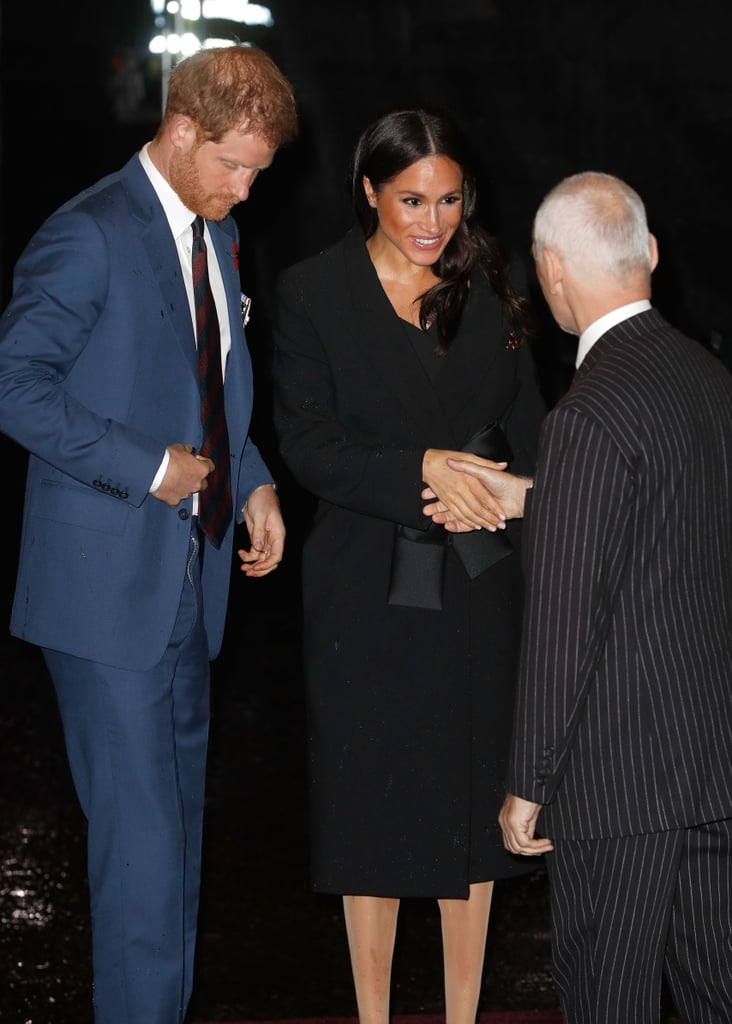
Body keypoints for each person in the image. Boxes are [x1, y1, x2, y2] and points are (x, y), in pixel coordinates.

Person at [0, 44, 297, 1023]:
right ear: (180, 133)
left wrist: (249, 478)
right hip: (105, 596)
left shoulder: (213, 231)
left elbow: (210, 381)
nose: (247, 188)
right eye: (235, 165)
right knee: (141, 861)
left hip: (191, 587)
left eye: (259, 170)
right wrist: (149, 465)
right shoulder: (87, 234)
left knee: (174, 853)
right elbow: (15, 387)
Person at [435, 172, 732, 1023]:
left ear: (552, 272)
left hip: (619, 785)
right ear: (650, 254)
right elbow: (671, 524)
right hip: (712, 765)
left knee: (609, 1001)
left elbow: (568, 624)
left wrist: (529, 782)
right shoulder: (708, 380)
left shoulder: (586, 416)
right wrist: (542, 493)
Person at [271, 108, 546, 1024]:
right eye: (410, 200)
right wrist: (424, 472)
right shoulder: (314, 292)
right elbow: (307, 445)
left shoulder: (491, 278)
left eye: (450, 200)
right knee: (371, 809)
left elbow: (532, 420)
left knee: (473, 807)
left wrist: (506, 490)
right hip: (363, 586)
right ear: (368, 192)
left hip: (479, 581)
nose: (433, 221)